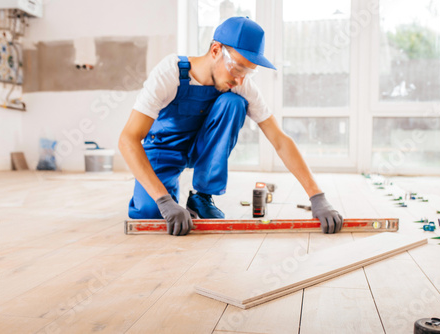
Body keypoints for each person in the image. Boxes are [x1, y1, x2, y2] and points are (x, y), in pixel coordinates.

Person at [119, 16, 343, 236]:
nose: (240, 80)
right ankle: (168, 195)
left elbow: (280, 140)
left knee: (233, 103)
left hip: (202, 148)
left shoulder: (239, 84)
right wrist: (164, 201)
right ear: (215, 50)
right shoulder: (170, 73)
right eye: (237, 68)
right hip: (164, 149)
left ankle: (201, 197)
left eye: (248, 72)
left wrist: (317, 197)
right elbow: (128, 139)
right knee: (151, 213)